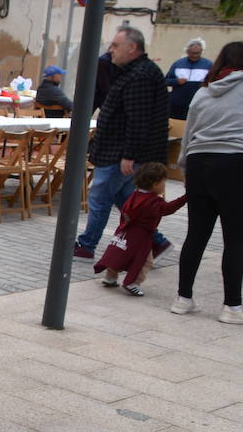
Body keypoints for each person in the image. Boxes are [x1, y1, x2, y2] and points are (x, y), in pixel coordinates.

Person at [74, 27, 171, 260]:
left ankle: (87, 245)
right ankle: (156, 241)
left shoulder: (141, 75)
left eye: (116, 45)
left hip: (120, 153)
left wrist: (129, 154)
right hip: (116, 150)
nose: (111, 50)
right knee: (126, 199)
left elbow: (138, 119)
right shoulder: (131, 72)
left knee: (99, 197)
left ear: (132, 48)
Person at [171, 41, 243, 324]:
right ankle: (232, 307)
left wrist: (185, 168)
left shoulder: (202, 92)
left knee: (196, 234)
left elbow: (189, 135)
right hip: (235, 163)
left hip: (199, 164)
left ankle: (183, 298)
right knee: (235, 238)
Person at [93, 163, 186, 296]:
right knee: (145, 261)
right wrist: (185, 197)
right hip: (141, 236)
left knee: (118, 253)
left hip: (125, 231)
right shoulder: (153, 202)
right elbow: (169, 208)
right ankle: (133, 283)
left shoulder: (134, 195)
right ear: (155, 184)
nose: (164, 186)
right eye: (163, 183)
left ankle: (110, 277)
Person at [165, 37, 211, 121]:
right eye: (192, 53)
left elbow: (214, 83)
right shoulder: (178, 64)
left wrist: (205, 84)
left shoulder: (208, 65)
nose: (195, 56)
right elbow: (165, 81)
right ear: (187, 51)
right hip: (177, 105)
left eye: (198, 53)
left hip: (198, 104)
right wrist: (176, 81)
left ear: (201, 52)